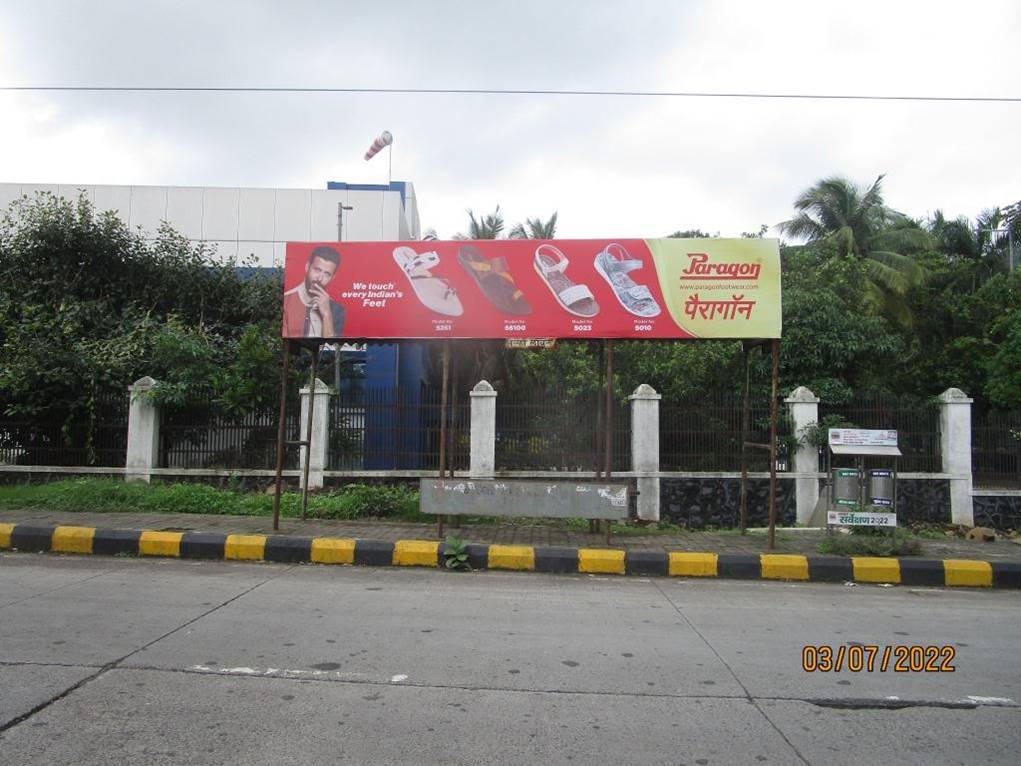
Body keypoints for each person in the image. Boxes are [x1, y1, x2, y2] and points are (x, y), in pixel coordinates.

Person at [283, 246, 346, 337]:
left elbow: (331, 344)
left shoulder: (337, 310)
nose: (320, 278)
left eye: (327, 274)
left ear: (332, 278)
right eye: (317, 270)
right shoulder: (286, 301)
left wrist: (327, 315)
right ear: (307, 267)